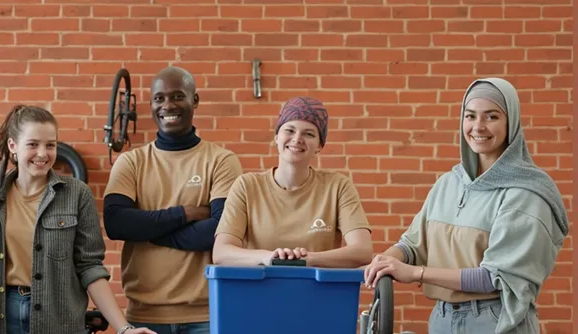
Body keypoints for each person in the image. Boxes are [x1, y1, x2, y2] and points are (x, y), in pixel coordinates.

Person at [363, 78, 569, 334]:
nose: (478, 127)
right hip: (442, 317)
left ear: (511, 123)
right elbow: (412, 244)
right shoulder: (449, 183)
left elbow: (492, 278)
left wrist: (416, 273)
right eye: (470, 116)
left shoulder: (526, 192)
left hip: (495, 320)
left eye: (491, 117)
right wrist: (386, 260)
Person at [0, 105, 154, 334]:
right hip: (3, 315)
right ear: (13, 146)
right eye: (32, 144)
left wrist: (124, 328)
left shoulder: (77, 194)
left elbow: (90, 267)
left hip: (59, 317)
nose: (42, 153)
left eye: (50, 145)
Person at [103, 66, 243, 334]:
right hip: (144, 316)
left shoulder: (221, 161)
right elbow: (116, 223)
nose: (168, 105)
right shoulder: (131, 162)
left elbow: (221, 231)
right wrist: (186, 214)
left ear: (195, 100)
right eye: (159, 98)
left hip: (206, 315)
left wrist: (149, 231)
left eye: (178, 96)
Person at [212, 96, 374, 267]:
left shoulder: (338, 186)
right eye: (289, 130)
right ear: (276, 137)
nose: (297, 139)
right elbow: (221, 253)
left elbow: (362, 251)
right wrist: (267, 257)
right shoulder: (247, 186)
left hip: (320, 292)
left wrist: (307, 259)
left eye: (309, 133)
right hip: (258, 290)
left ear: (320, 145)